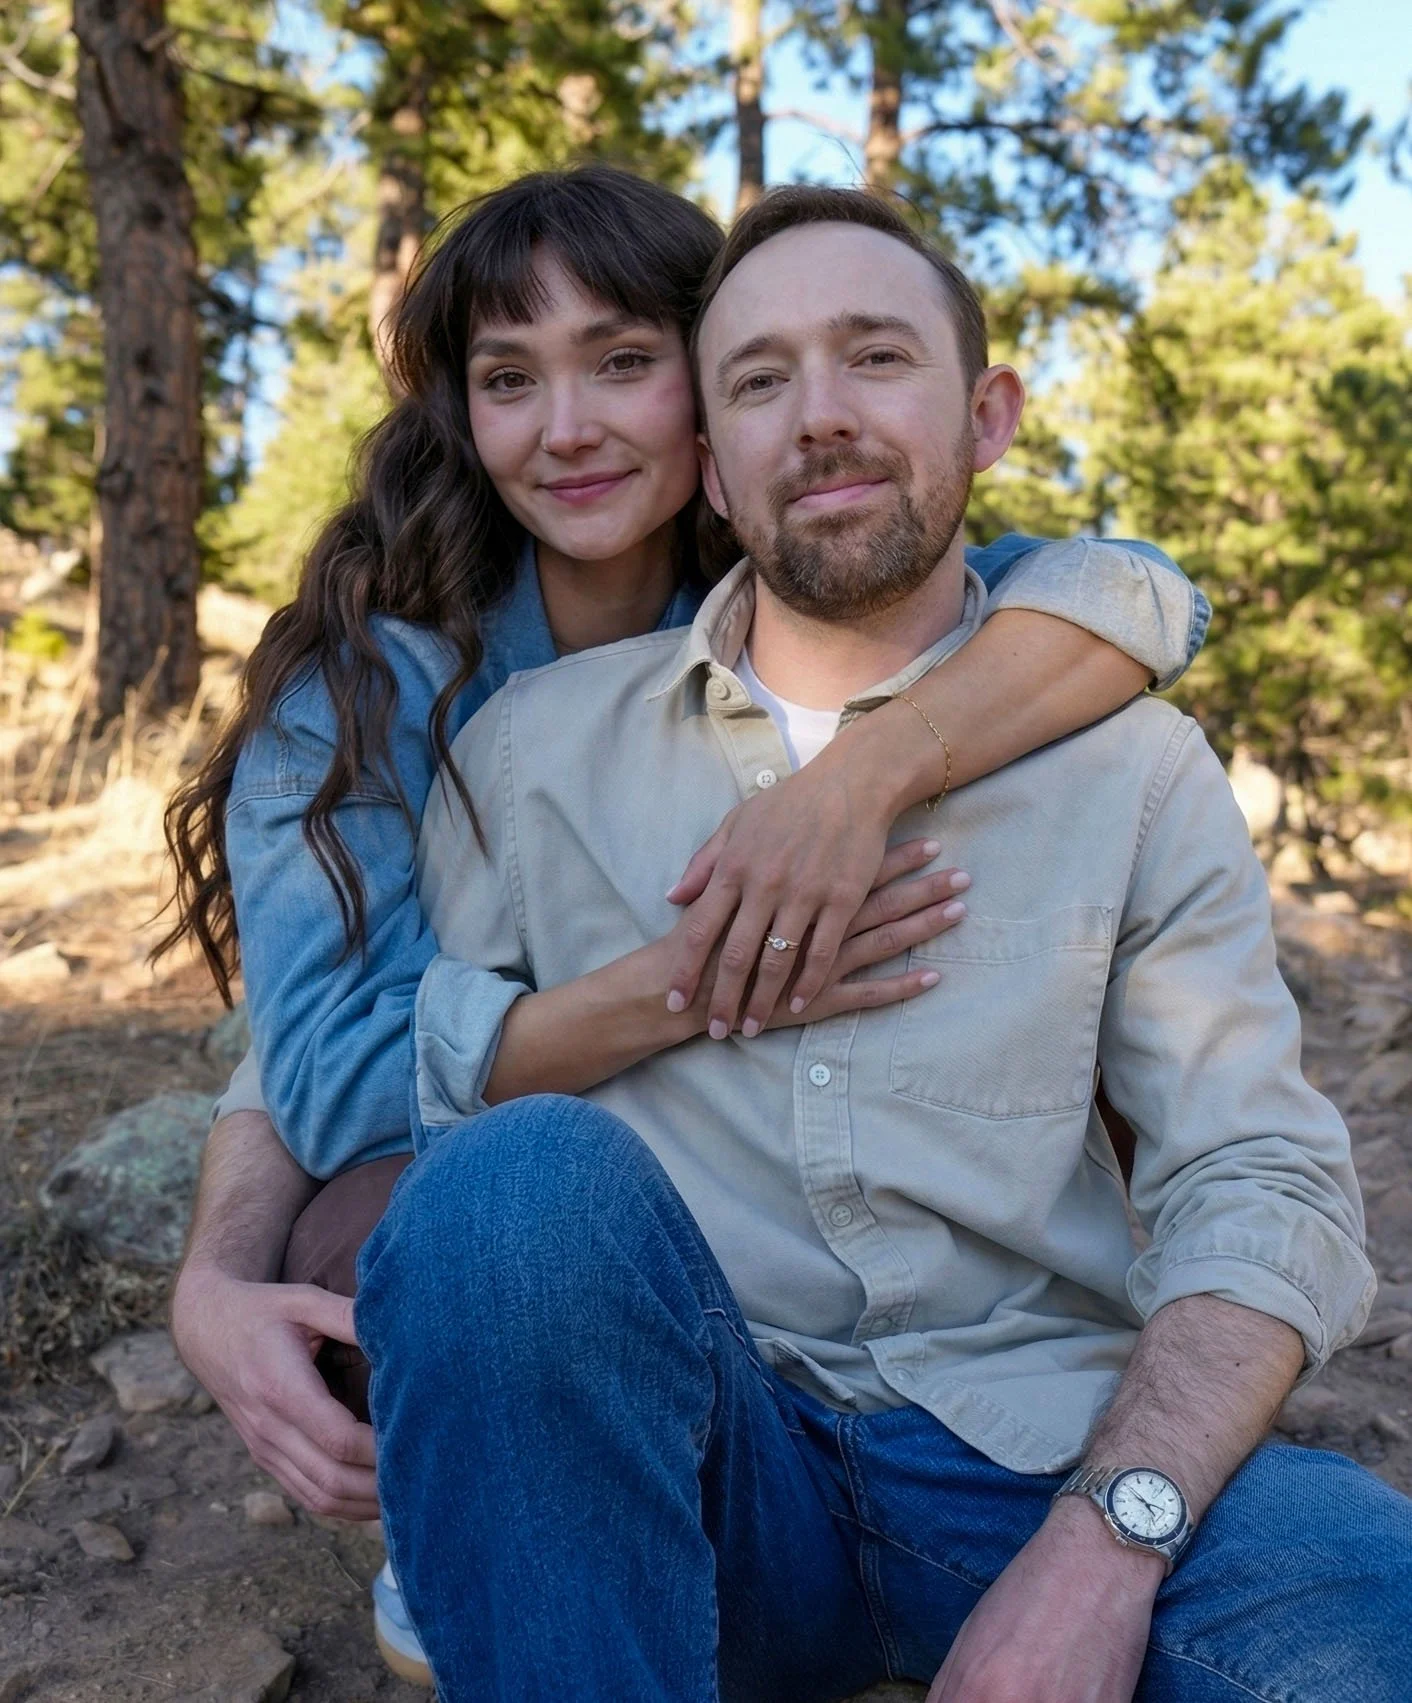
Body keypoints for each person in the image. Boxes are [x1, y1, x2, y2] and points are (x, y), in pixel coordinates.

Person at [354, 183, 1410, 1703]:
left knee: (1371, 1604)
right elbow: (425, 1109)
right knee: (508, 1187)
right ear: (714, 470)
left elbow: (1261, 1178)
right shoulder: (530, 756)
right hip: (698, 1469)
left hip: (1029, 1455)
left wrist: (1107, 1543)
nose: (823, 416)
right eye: (760, 381)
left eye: (876, 356)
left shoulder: (1134, 769)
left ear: (988, 417)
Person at [163, 168, 1206, 1686]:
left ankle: (974, 1416)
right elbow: (323, 1065)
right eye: (510, 379)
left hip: (801, 1189)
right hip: (536, 1188)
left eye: (623, 362)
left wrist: (860, 780)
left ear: (711, 397)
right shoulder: (366, 691)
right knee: (429, 1220)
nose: (568, 427)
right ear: (460, 412)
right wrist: (207, 1280)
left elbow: (1141, 595)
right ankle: (512, 1505)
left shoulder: (792, 578)